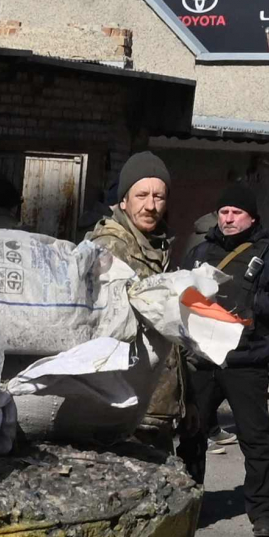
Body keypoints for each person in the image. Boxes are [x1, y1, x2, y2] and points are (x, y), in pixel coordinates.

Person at [174, 182, 269, 537]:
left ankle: (263, 512)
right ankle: (187, 506)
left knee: (255, 439)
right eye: (224, 212)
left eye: (236, 212)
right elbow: (178, 294)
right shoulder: (200, 252)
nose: (229, 218)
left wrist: (256, 304)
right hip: (203, 361)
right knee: (191, 436)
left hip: (247, 361)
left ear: (252, 218)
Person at [85, 152, 183, 445]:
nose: (151, 206)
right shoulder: (111, 246)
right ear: (123, 201)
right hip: (125, 403)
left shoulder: (158, 246)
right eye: (141, 195)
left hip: (157, 401)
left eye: (158, 196)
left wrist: (183, 400)